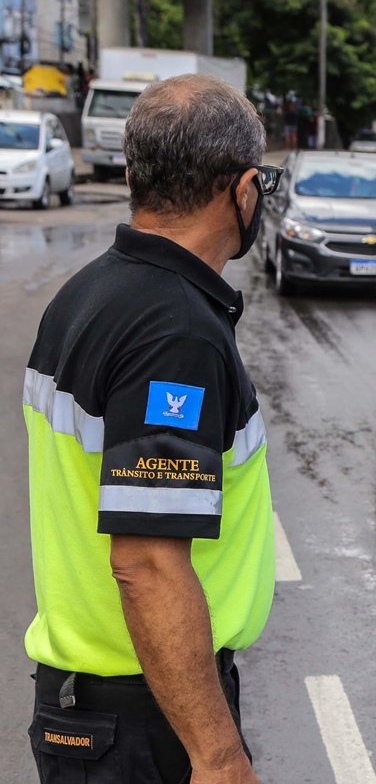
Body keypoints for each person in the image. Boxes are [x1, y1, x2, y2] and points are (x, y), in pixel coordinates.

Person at [23, 74, 279, 783]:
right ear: (244, 189)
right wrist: (218, 755)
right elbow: (148, 564)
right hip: (145, 718)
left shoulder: (89, 293)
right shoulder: (175, 335)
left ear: (134, 174)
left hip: (97, 708)